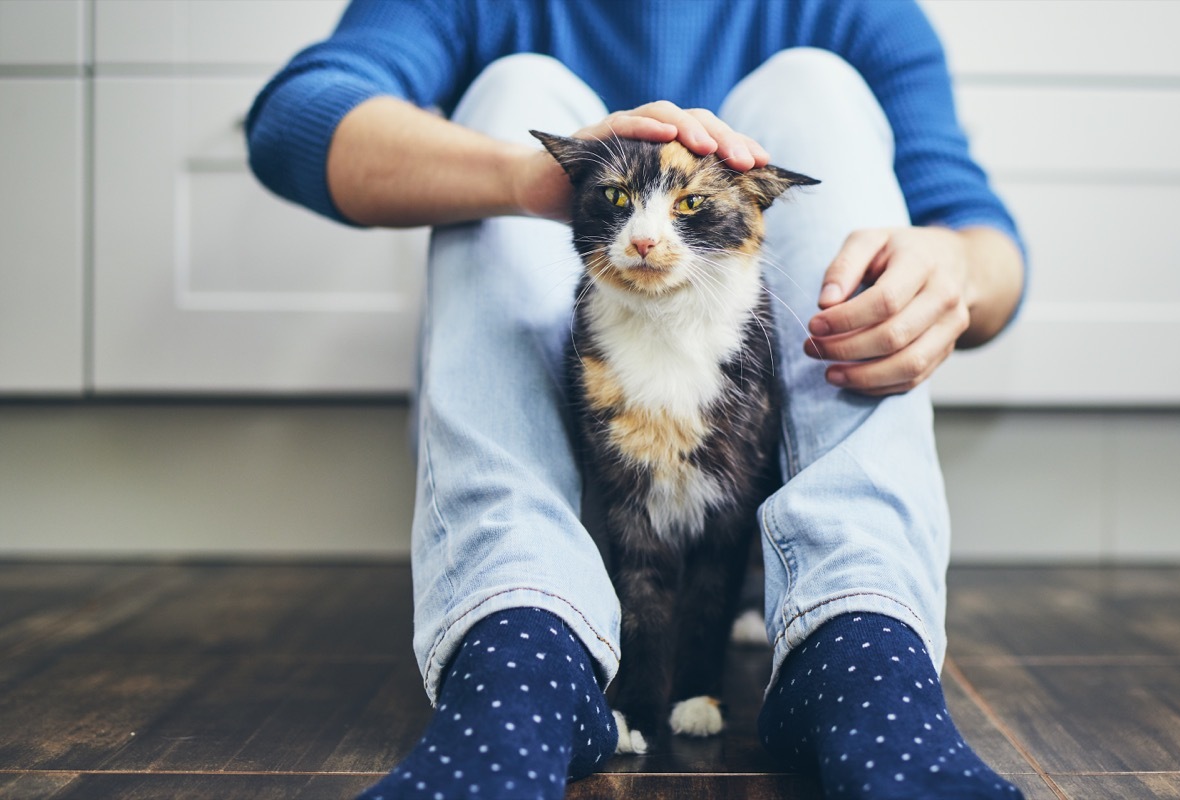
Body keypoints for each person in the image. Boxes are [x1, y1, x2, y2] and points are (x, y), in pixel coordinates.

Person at [246, 2, 1027, 798]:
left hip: (749, 486)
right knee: (517, 87)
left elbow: (984, 233)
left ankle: (860, 647)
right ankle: (520, 648)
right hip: (584, 480)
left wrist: (954, 267)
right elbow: (291, 120)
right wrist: (526, 180)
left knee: (815, 85)